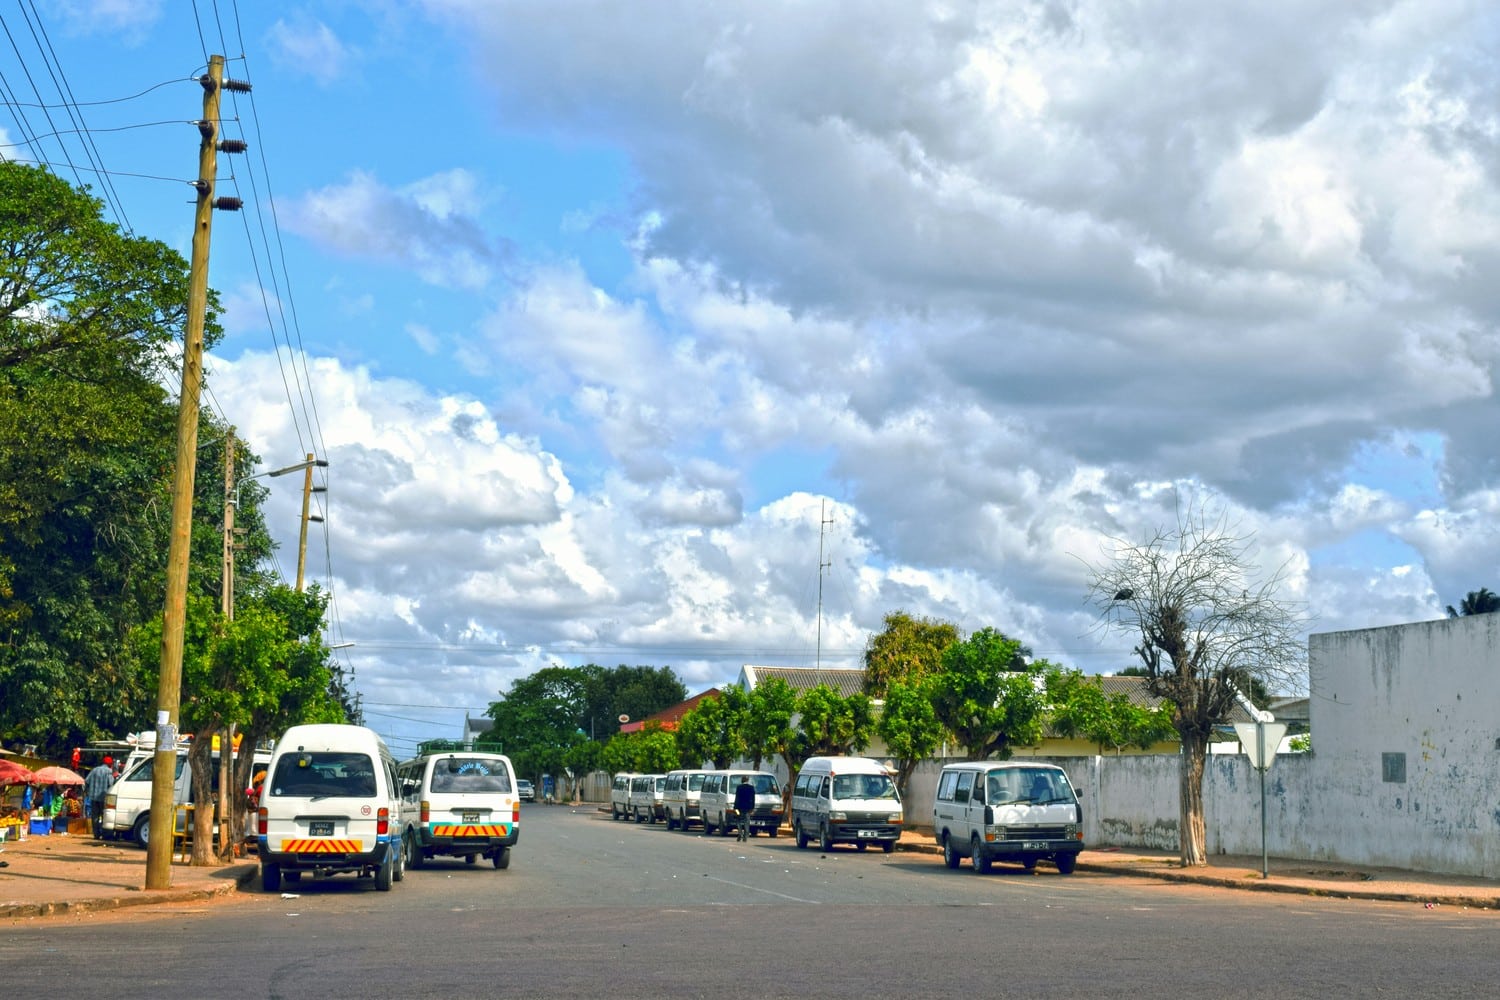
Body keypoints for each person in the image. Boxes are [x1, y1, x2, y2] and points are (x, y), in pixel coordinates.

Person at [84, 757, 114, 840]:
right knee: (105, 816)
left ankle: (96, 835)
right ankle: (105, 835)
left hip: (93, 798)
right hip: (104, 798)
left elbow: (86, 781)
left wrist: (87, 792)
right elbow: (111, 784)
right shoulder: (109, 771)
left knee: (95, 817)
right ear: (109, 764)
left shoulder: (94, 770)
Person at [734, 776, 756, 842]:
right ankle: (745, 836)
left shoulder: (739, 787)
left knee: (738, 820)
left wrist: (735, 807)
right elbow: (753, 799)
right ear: (748, 780)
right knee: (746, 821)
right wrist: (752, 807)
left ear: (742, 780)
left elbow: (737, 798)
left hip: (739, 808)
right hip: (748, 808)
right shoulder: (751, 788)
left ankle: (740, 833)